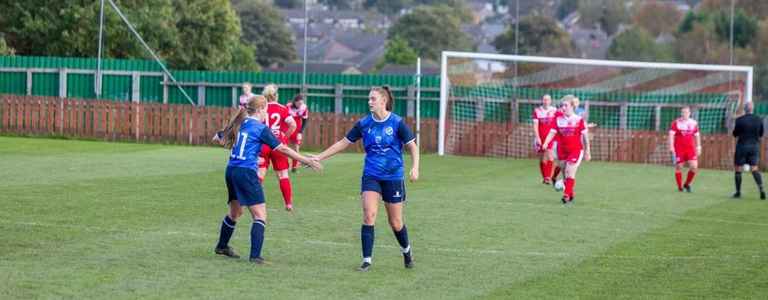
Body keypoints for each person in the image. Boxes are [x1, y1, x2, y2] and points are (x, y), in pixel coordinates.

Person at [312, 86, 419, 271]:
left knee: (395, 222)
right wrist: (319, 157)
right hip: (371, 175)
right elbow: (343, 143)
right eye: (369, 99)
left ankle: (407, 251)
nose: (369, 102)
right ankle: (367, 261)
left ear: (383, 101)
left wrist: (415, 168)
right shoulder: (364, 124)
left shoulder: (396, 122)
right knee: (369, 215)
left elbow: (413, 146)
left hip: (393, 176)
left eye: (373, 99)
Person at [212, 95, 321, 264]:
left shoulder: (240, 122)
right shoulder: (260, 128)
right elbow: (282, 148)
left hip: (231, 170)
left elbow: (218, 138)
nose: (266, 115)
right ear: (261, 109)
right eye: (266, 111)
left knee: (235, 212)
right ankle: (255, 256)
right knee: (260, 215)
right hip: (246, 172)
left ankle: (222, 246)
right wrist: (306, 160)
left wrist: (236, 146)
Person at [542, 95, 591, 204]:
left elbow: (585, 137)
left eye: (566, 105)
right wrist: (545, 143)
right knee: (565, 174)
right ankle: (571, 194)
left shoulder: (579, 120)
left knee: (570, 170)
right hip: (563, 151)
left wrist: (588, 151)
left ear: (572, 107)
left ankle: (566, 196)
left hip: (576, 150)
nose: (563, 107)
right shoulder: (558, 120)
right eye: (562, 105)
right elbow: (552, 132)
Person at [259, 84, 299, 211]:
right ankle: (288, 203)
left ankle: (251, 198)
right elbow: (292, 125)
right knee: (283, 175)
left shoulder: (261, 108)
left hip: (263, 144)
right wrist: (284, 138)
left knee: (260, 173)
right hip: (277, 144)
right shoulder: (282, 108)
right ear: (276, 95)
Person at [732, 102, 765, 199]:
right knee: (754, 168)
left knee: (738, 169)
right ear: (753, 109)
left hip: (742, 146)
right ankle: (761, 189)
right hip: (754, 147)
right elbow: (761, 134)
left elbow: (735, 134)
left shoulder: (739, 120)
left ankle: (738, 192)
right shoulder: (759, 119)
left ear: (744, 109)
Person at [668, 106, 701, 192]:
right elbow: (671, 135)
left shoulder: (694, 123)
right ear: (681, 113)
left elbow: (697, 135)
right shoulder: (676, 123)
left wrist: (698, 146)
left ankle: (687, 184)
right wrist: (671, 146)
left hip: (690, 149)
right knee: (679, 167)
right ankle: (680, 187)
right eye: (683, 112)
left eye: (686, 112)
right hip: (679, 148)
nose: (684, 114)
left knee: (694, 167)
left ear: (689, 113)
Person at [532, 95, 557, 184]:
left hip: (551, 137)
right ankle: (545, 177)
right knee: (543, 158)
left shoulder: (554, 110)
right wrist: (537, 137)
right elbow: (535, 126)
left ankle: (547, 177)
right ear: (542, 101)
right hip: (541, 137)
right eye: (544, 99)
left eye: (548, 100)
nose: (546, 101)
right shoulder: (537, 111)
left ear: (550, 101)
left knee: (550, 155)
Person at [287, 94, 309, 172]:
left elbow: (305, 121)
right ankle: (284, 166)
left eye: (301, 103)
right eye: (299, 103)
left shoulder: (304, 108)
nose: (300, 105)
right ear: (295, 102)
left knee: (296, 148)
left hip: (297, 129)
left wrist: (300, 132)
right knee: (284, 147)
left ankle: (294, 167)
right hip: (288, 127)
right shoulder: (288, 107)